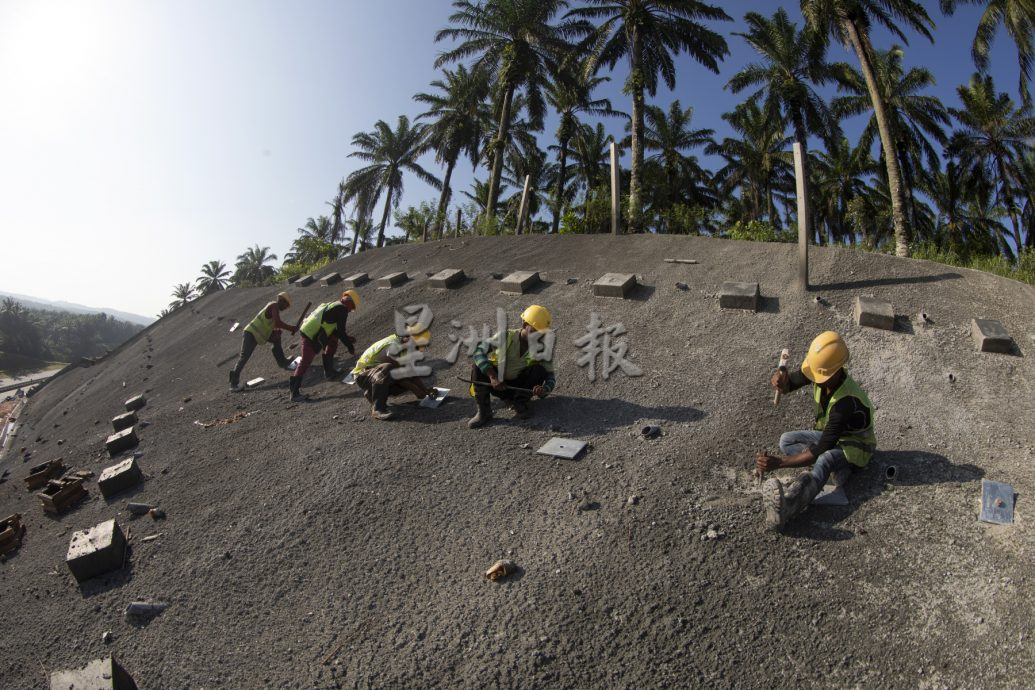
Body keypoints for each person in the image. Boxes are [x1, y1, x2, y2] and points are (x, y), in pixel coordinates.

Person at [756, 331, 877, 531]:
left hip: (857, 447)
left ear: (834, 371)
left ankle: (789, 506)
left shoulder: (845, 403)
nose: (812, 377)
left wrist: (780, 463)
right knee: (786, 440)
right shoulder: (823, 372)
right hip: (835, 436)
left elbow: (822, 447)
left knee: (825, 458)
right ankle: (832, 472)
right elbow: (791, 384)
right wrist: (781, 379)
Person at [467, 305, 556, 429]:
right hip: (498, 384)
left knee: (539, 370)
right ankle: (484, 412)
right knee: (477, 368)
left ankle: (519, 402)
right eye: (535, 332)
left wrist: (544, 390)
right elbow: (478, 351)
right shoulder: (505, 337)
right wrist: (493, 376)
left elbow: (551, 376)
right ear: (525, 325)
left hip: (519, 387)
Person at [351, 325, 436, 420]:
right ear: (407, 338)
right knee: (389, 367)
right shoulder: (392, 345)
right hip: (362, 375)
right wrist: (415, 389)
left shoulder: (403, 349)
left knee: (403, 382)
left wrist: (425, 390)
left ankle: (371, 392)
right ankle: (378, 409)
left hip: (375, 375)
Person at [289, 290, 359, 402]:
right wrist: (350, 346)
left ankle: (329, 372)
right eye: (352, 307)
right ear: (348, 302)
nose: (351, 310)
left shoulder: (333, 305)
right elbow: (341, 331)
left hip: (313, 331)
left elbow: (332, 328)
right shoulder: (342, 309)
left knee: (333, 341)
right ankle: (294, 393)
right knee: (305, 361)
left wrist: (347, 338)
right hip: (310, 334)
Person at [229, 292, 297, 391]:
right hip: (251, 333)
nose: (286, 308)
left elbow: (272, 323)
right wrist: (291, 328)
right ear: (282, 301)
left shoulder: (274, 307)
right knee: (244, 356)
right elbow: (277, 322)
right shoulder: (274, 306)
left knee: (277, 337)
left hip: (258, 334)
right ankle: (233, 384)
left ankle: (283, 362)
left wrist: (275, 332)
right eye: (286, 306)